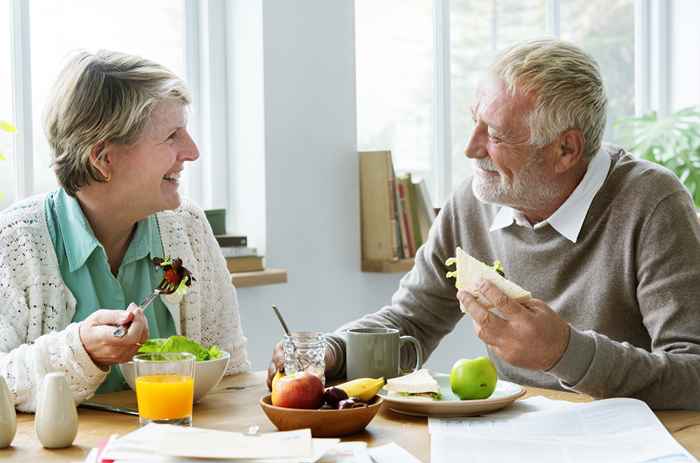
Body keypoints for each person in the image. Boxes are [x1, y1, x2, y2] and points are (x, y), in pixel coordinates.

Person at [268, 39, 700, 410]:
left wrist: (565, 353)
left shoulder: (652, 203)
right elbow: (411, 320)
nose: (470, 148)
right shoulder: (475, 201)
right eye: (474, 121)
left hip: (636, 444)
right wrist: (331, 351)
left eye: (494, 134)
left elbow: (693, 373)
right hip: (513, 434)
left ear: (566, 149)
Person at [0, 50, 250, 412]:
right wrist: (82, 350)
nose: (192, 151)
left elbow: (231, 376)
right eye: (171, 136)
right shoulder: (15, 242)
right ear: (103, 159)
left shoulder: (188, 228)